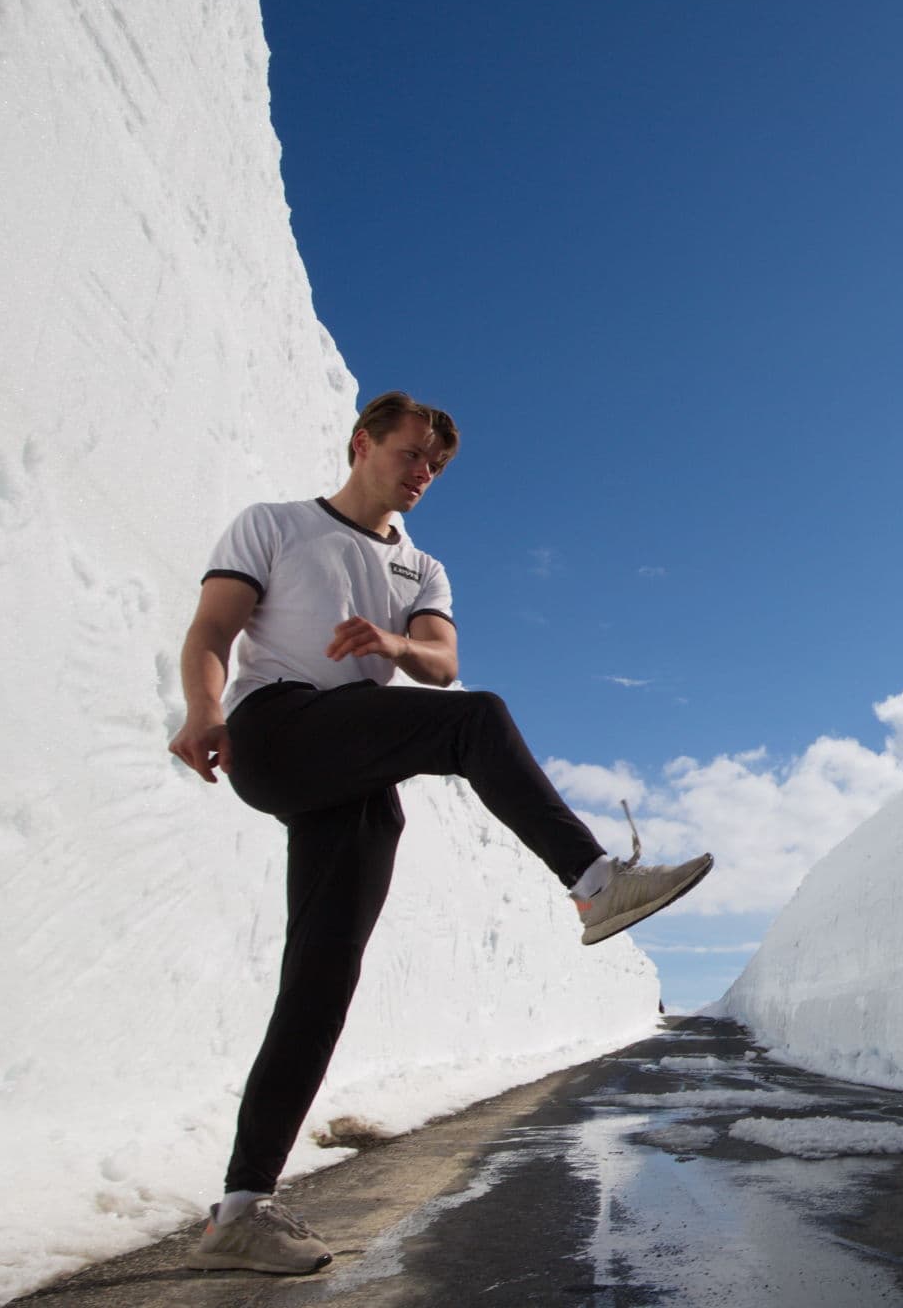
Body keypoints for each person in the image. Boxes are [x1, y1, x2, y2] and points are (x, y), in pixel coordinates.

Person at [166, 392, 712, 1275]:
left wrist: (390, 640)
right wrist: (202, 711)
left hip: (355, 768)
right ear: (362, 444)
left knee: (321, 982)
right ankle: (595, 881)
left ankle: (240, 1207)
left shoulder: (422, 569)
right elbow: (213, 629)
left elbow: (440, 660)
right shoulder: (272, 526)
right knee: (474, 723)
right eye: (411, 453)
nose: (422, 473)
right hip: (275, 728)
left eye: (436, 466)